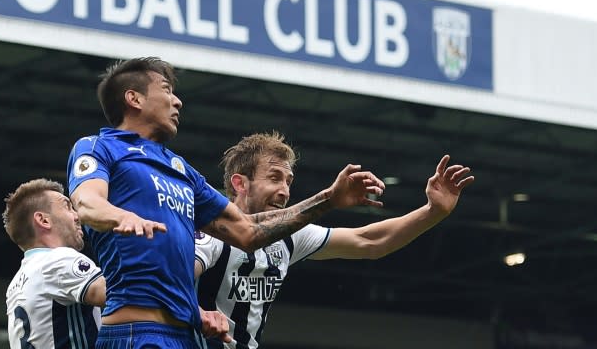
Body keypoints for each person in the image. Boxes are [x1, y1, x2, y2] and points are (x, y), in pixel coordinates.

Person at [67, 57, 386, 349]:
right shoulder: (99, 147)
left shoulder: (182, 171)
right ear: (133, 99)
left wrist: (329, 199)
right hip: (136, 332)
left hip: (183, 337)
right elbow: (87, 203)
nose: (177, 100)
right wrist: (119, 216)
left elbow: (246, 231)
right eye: (166, 90)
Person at [194, 131, 475, 349]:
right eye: (274, 178)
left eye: (288, 181)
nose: (284, 191)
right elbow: (165, 281)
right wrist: (198, 313)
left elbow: (369, 242)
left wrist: (432, 212)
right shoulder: (212, 232)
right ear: (240, 183)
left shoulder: (288, 237)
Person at [3, 178, 106, 349]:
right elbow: (116, 295)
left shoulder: (17, 283)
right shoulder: (58, 260)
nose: (77, 216)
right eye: (67, 206)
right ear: (43, 220)